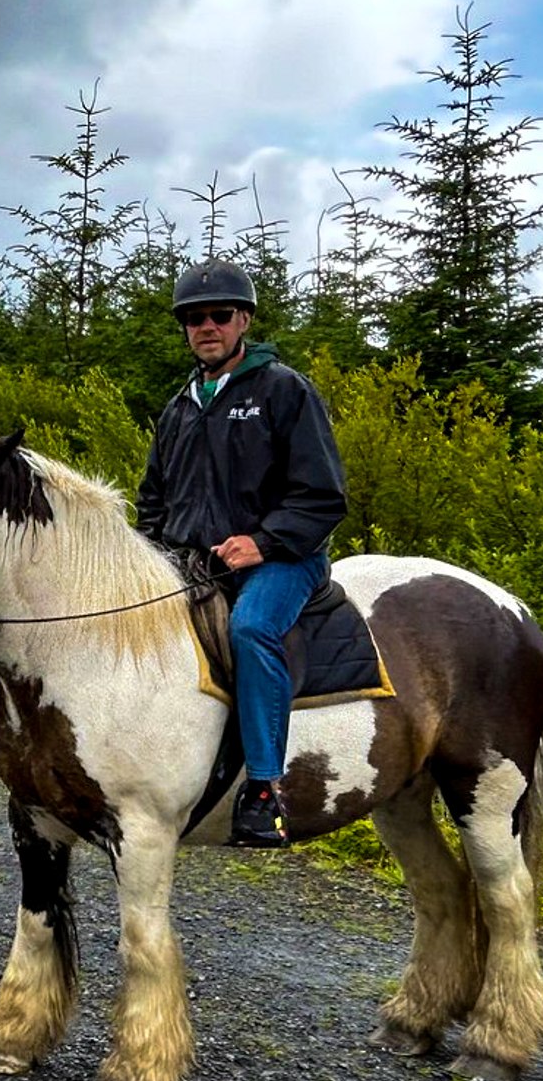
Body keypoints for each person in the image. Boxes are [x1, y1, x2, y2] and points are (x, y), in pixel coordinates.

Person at [134, 259, 347, 847]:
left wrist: (264, 541)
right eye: (194, 318)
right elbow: (153, 498)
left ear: (243, 320)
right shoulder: (178, 408)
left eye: (219, 315)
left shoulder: (284, 390)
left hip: (285, 558)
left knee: (253, 629)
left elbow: (323, 494)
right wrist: (152, 555)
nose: (207, 326)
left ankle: (263, 791)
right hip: (194, 563)